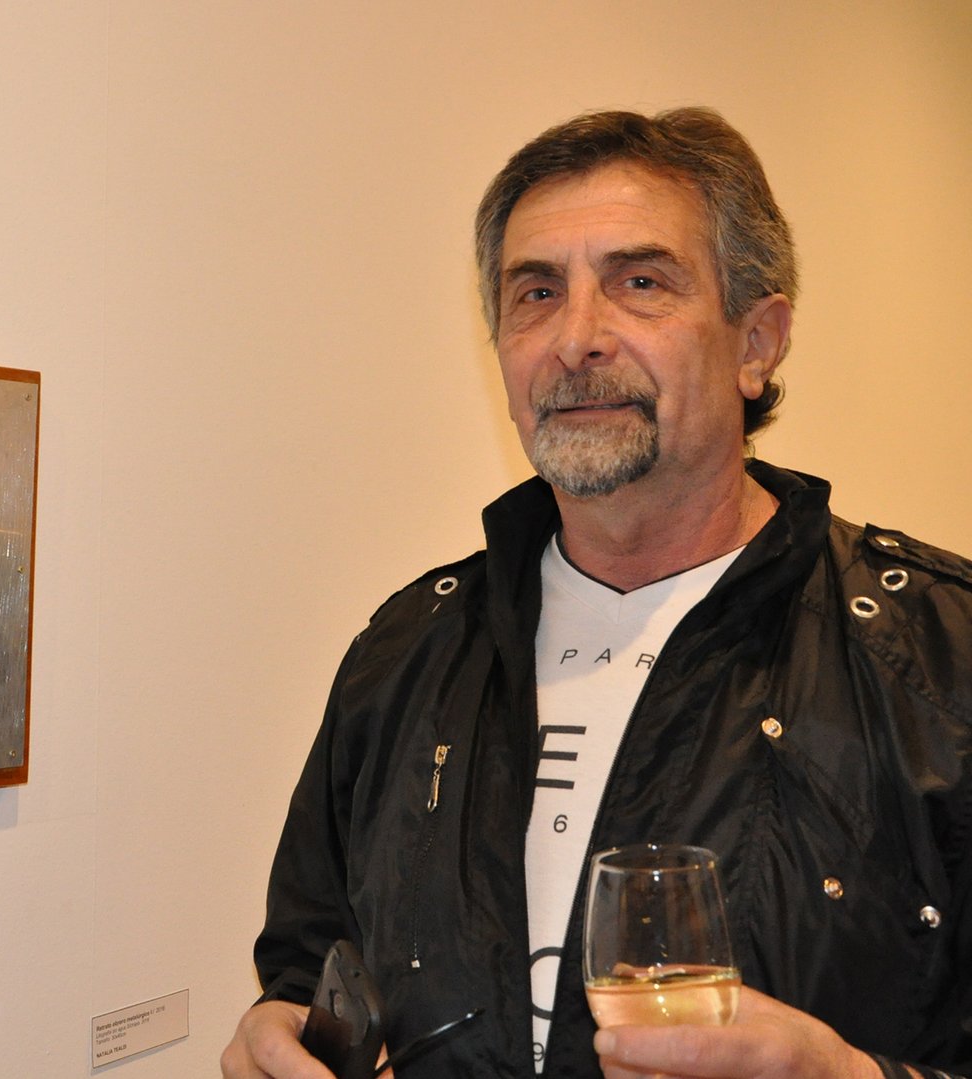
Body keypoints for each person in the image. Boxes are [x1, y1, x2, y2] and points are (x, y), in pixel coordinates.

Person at [222, 107, 972, 1079]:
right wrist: (278, 1027)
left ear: (756, 342)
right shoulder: (405, 650)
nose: (576, 337)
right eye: (536, 293)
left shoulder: (941, 661)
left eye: (640, 283)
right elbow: (308, 961)